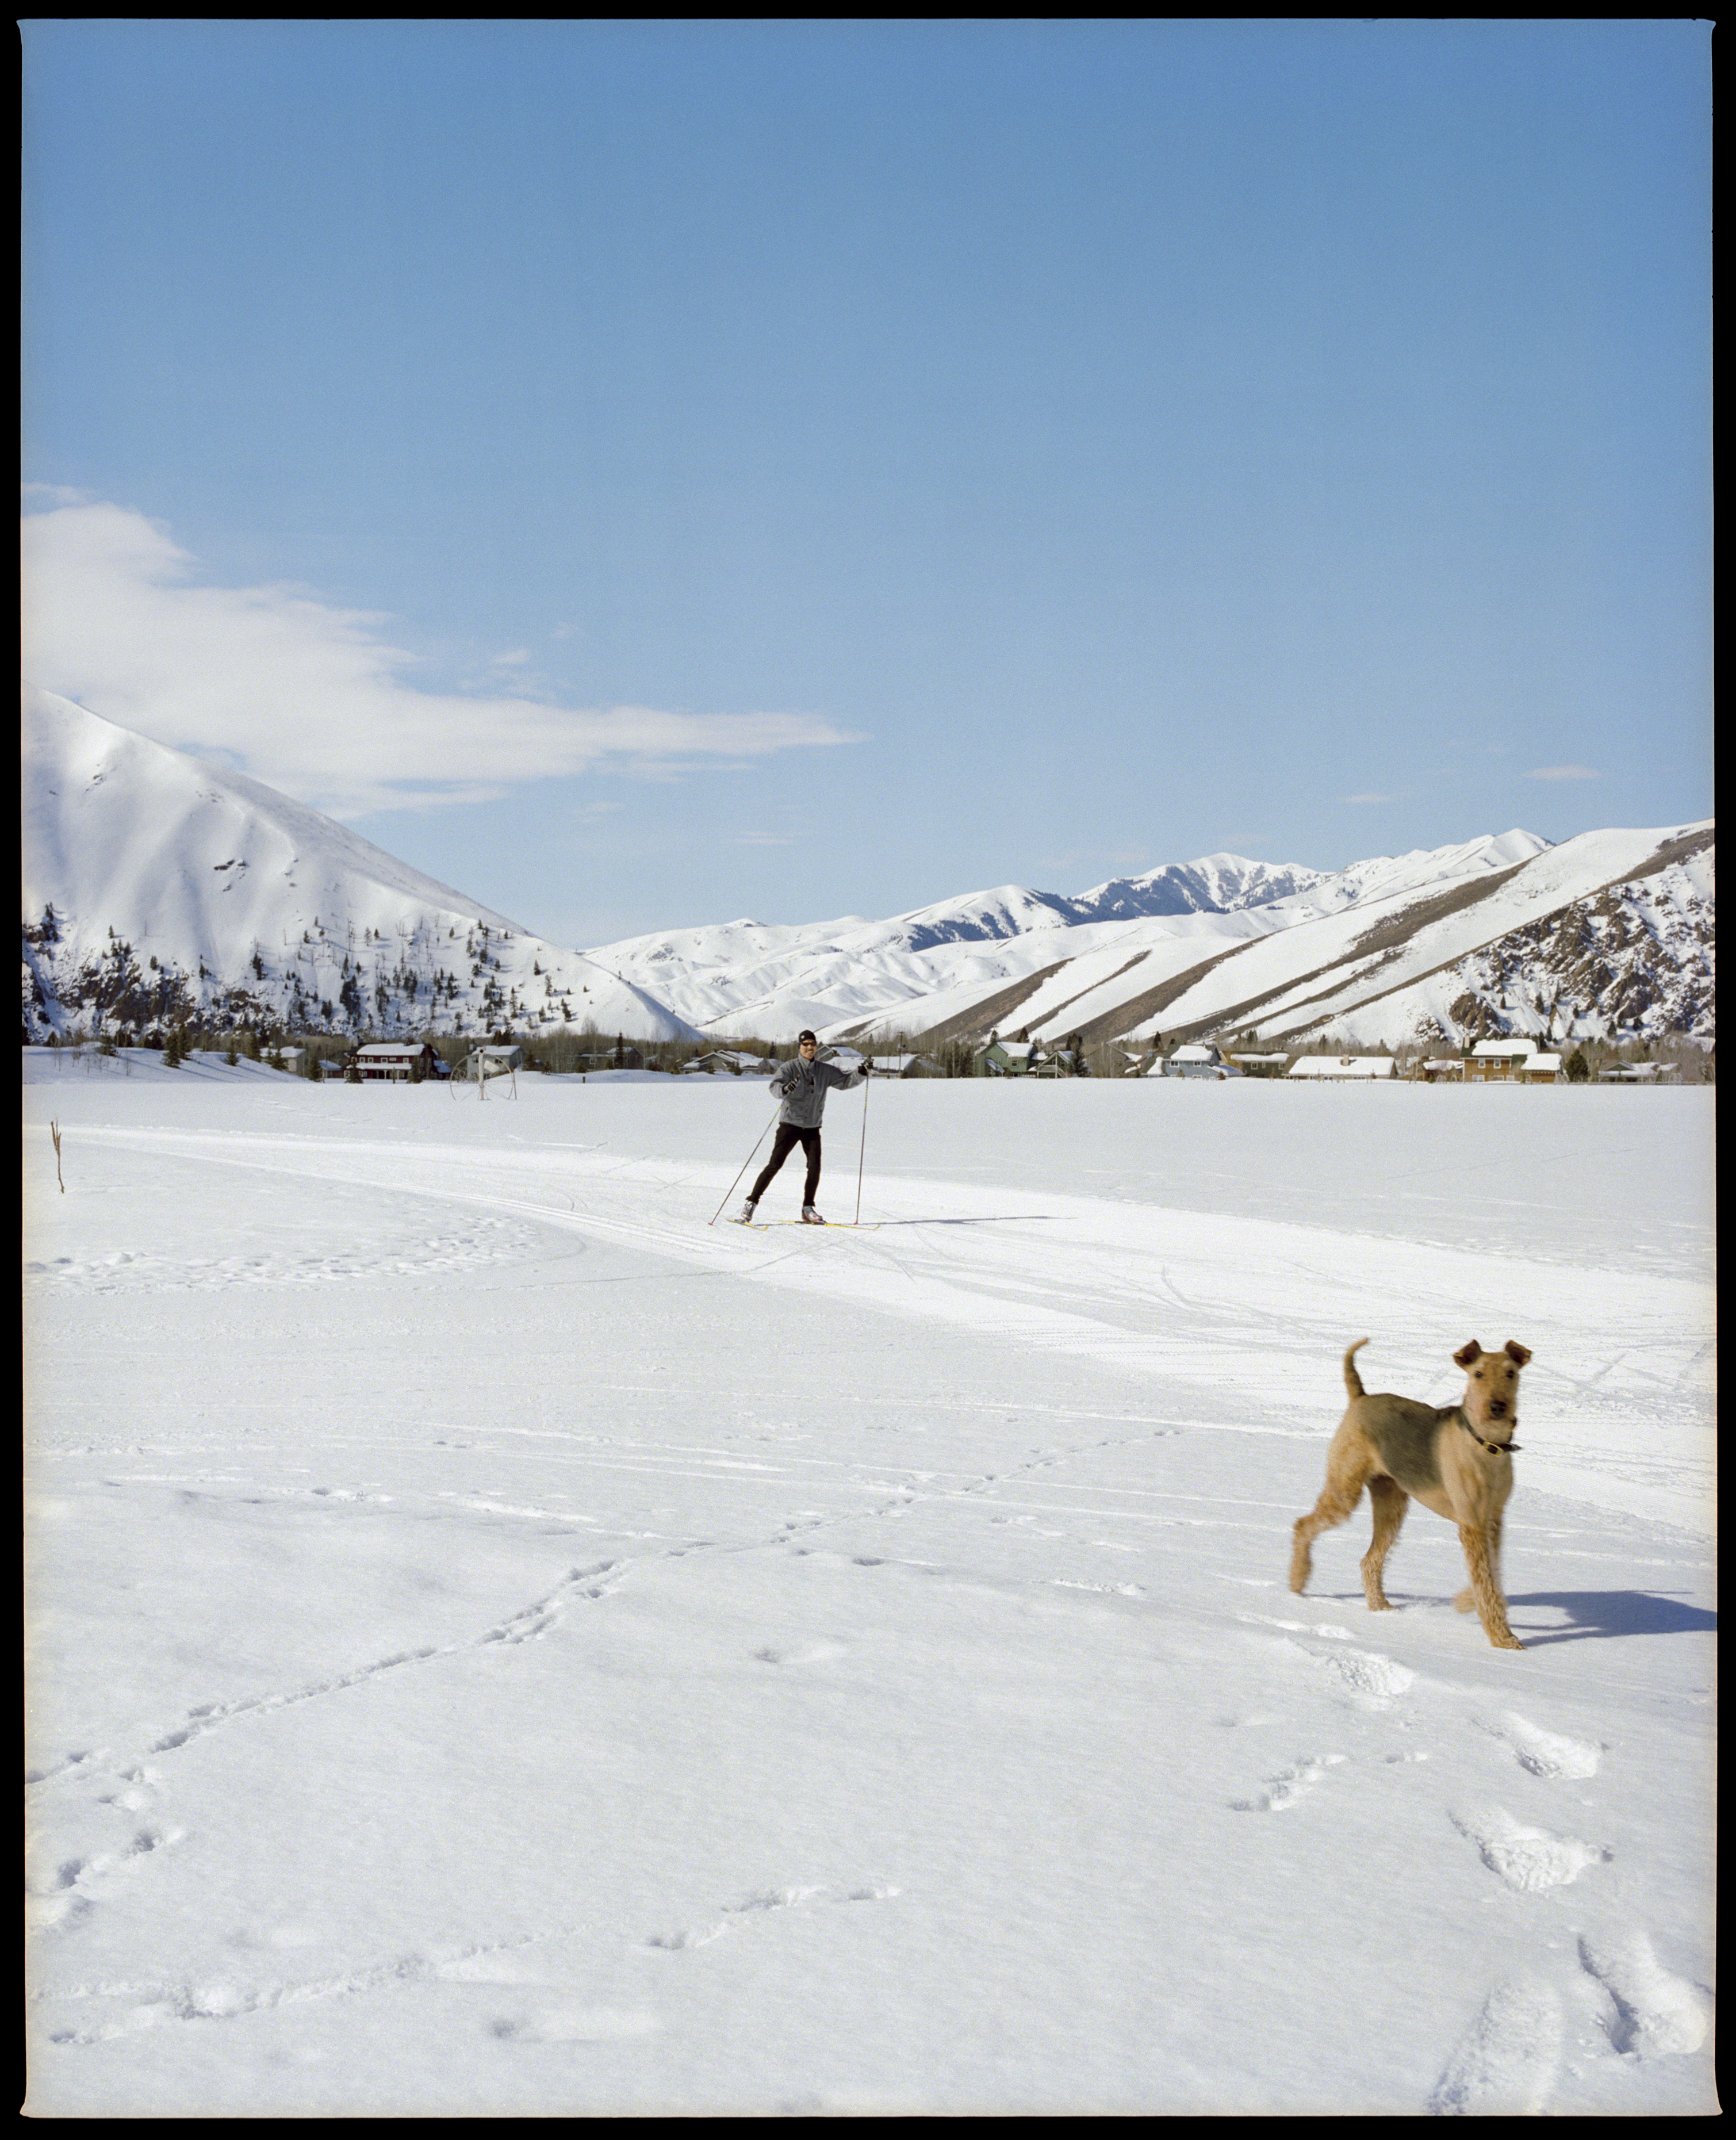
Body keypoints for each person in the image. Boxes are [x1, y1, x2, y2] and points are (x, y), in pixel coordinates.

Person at [737, 1031, 868, 1224]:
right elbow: (775, 1087)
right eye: (805, 1044)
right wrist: (785, 1089)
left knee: (815, 1167)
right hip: (790, 1124)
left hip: (813, 1128)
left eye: (812, 1044)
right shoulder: (789, 1068)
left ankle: (808, 1209)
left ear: (816, 1047)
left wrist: (862, 1072)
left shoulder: (824, 1070)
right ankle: (751, 1203)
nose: (809, 1048)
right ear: (799, 1047)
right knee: (775, 1164)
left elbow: (845, 1082)